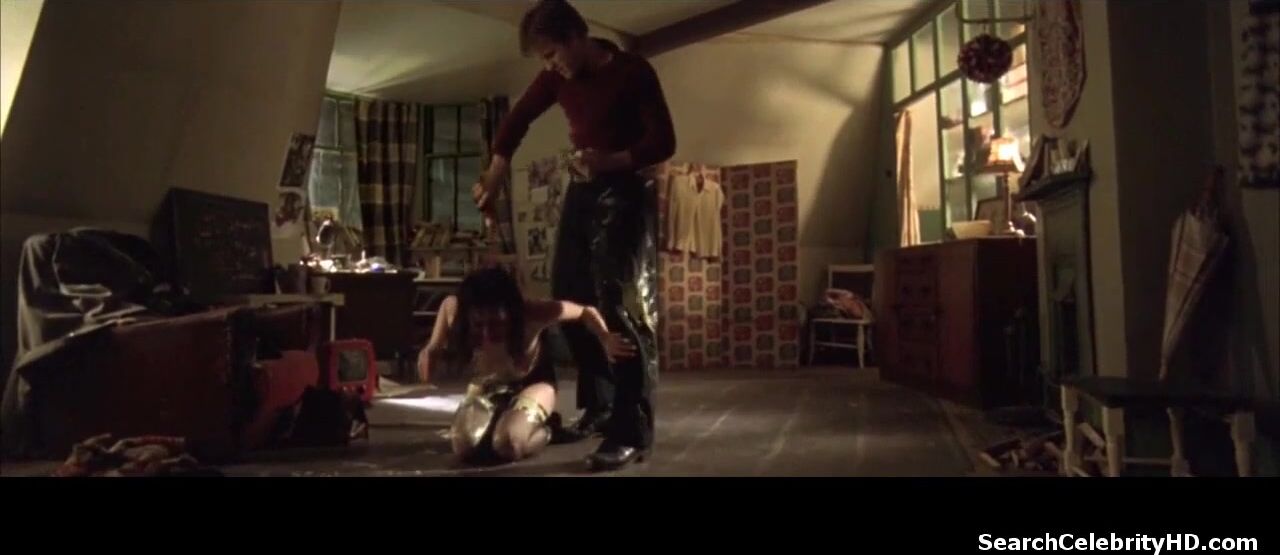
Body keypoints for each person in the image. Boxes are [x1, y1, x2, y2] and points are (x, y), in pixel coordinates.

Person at [472, 0, 675, 471]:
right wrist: (495, 175)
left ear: (575, 38)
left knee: (620, 309)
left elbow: (664, 141)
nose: (549, 66)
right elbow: (518, 120)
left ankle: (631, 432)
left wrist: (612, 159)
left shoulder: (633, 71)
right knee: (570, 298)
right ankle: (600, 407)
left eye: (551, 54)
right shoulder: (557, 77)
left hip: (627, 191)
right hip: (584, 190)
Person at [416, 267, 635, 465]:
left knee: (508, 444)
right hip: (488, 384)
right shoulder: (457, 311)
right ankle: (505, 419)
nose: (487, 334)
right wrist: (432, 348)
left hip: (533, 382)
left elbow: (585, 311)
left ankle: (547, 429)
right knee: (464, 447)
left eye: (497, 324)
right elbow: (447, 304)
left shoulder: (534, 313)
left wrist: (605, 337)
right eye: (479, 324)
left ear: (512, 314)